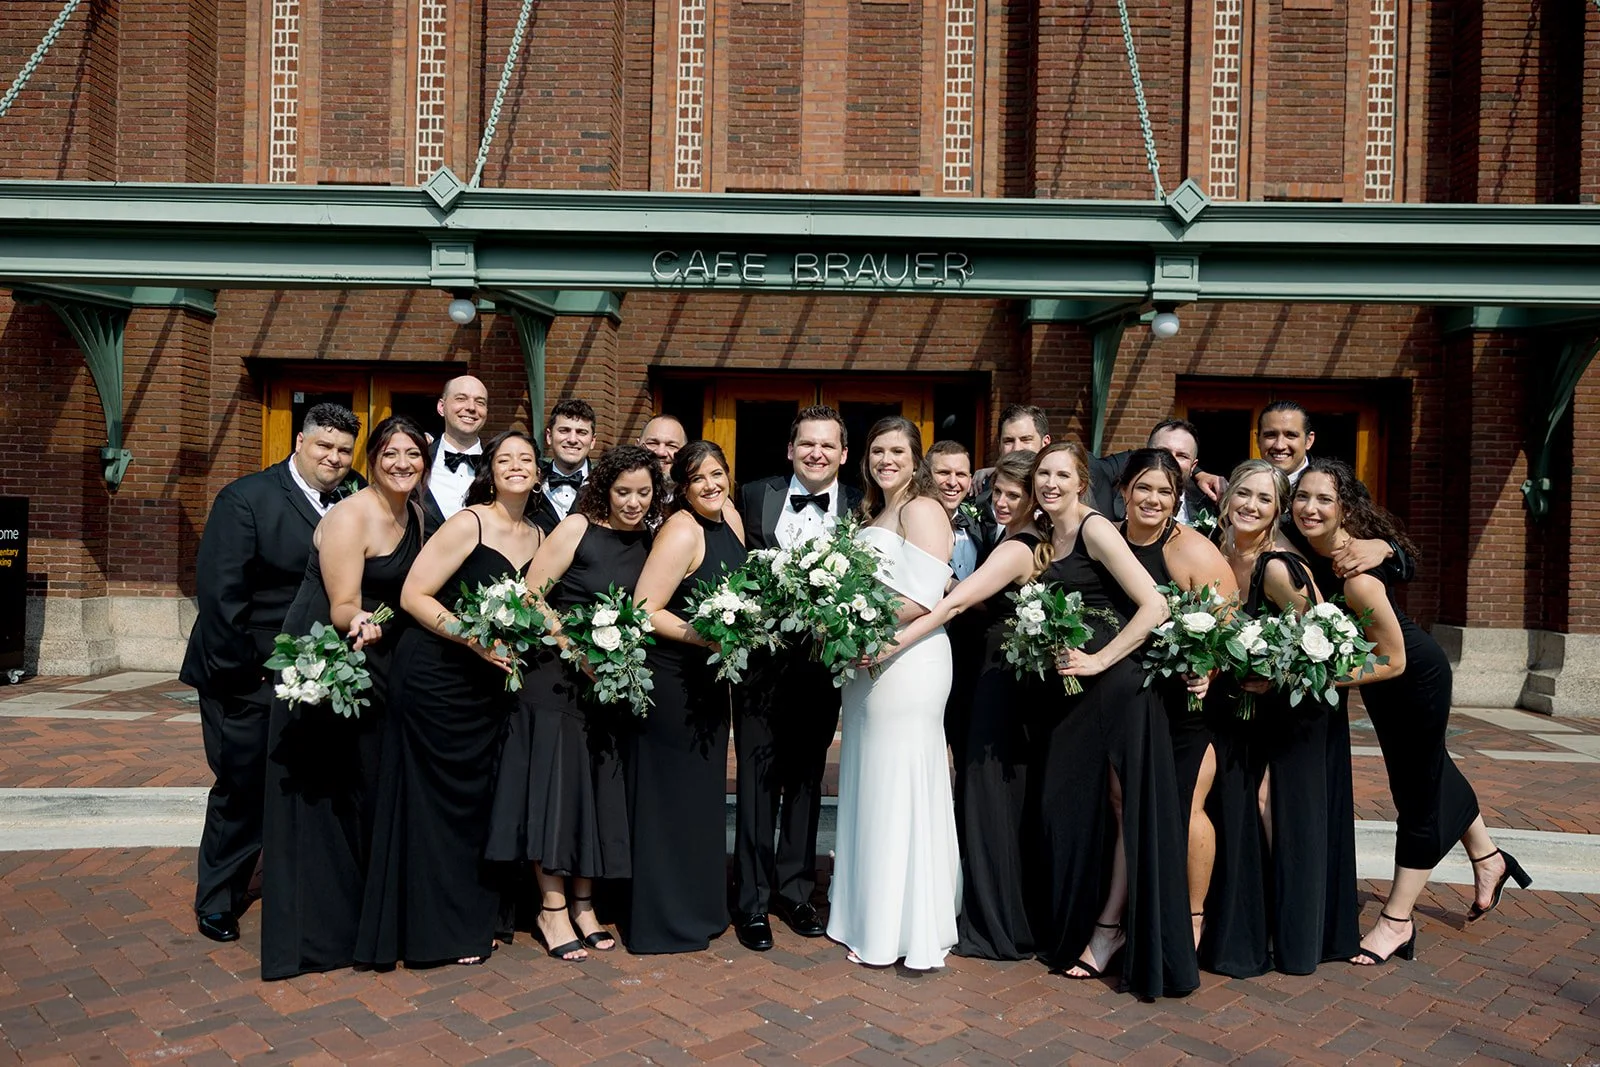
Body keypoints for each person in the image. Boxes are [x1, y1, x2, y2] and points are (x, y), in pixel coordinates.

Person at [1292, 459, 1531, 967]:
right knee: (1429, 768)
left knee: (1415, 792)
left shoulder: (1355, 572)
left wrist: (1311, 677)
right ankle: (1490, 858)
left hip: (1409, 675)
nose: (1310, 508)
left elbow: (1393, 657)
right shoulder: (1300, 543)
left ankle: (1398, 920)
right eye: (1303, 498)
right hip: (1380, 680)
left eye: (1324, 500)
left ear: (1345, 509)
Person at [355, 430, 543, 969]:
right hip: (437, 678)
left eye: (525, 459)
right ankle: (431, 930)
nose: (515, 466)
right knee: (433, 805)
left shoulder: (537, 534)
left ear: (537, 471)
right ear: (491, 469)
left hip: (488, 692)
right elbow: (414, 595)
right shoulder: (469, 522)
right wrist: (475, 638)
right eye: (504, 458)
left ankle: (474, 915)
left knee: (476, 805)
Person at [182, 402, 361, 944]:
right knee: (243, 785)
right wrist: (246, 678)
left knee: (304, 783)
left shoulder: (351, 500)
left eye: (344, 450)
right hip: (248, 675)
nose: (334, 458)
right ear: (300, 443)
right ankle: (218, 898)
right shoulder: (247, 499)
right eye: (324, 446)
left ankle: (299, 884)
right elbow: (220, 598)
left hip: (318, 672)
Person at [260, 415, 428, 980]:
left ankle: (368, 920)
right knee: (327, 796)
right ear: (373, 459)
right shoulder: (349, 515)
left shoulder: (417, 513)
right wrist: (357, 619)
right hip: (329, 662)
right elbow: (340, 604)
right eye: (391, 454)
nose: (402, 463)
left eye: (413, 454)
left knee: (368, 792)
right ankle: (319, 935)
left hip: (379, 663)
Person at [1029, 442, 1196, 999]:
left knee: (1127, 807)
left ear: (1084, 482)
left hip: (1120, 688)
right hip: (1072, 697)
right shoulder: (1046, 536)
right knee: (1073, 806)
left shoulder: (1098, 529)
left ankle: (1109, 930)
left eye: (1061, 474)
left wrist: (1100, 659)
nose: (1050, 483)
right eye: (1042, 474)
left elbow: (1156, 605)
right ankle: (1079, 924)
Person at [486, 445, 661, 961]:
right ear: (605, 487)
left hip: (608, 686)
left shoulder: (653, 540)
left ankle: (586, 904)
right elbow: (530, 594)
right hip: (557, 679)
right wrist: (572, 646)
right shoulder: (576, 528)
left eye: (643, 493)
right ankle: (553, 909)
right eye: (623, 491)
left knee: (596, 792)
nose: (632, 502)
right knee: (557, 793)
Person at [881, 448, 1042, 960]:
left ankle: (995, 920)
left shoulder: (1020, 545)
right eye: (997, 491)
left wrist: (895, 641)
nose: (1001, 501)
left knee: (987, 790)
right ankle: (985, 900)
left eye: (1015, 495)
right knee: (982, 789)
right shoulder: (1002, 538)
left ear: (1034, 499)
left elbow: (954, 601)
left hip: (999, 682)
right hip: (982, 675)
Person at [1206, 458, 1359, 977]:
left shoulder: (1277, 567)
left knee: (1276, 810)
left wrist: (1274, 676)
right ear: (1227, 500)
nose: (1251, 505)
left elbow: (1325, 645)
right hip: (1239, 707)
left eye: (1264, 499)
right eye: (1243, 494)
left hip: (1290, 709)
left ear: (1276, 513)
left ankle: (1287, 933)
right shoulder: (1216, 550)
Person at [826, 416, 958, 969]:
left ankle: (902, 926)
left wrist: (864, 627)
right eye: (878, 450)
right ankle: (866, 910)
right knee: (870, 776)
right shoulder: (873, 511)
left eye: (897, 451)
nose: (886, 460)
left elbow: (927, 591)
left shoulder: (922, 508)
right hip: (867, 659)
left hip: (906, 658)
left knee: (901, 775)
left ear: (916, 457)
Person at [733, 405, 863, 951]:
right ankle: (752, 901)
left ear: (843, 454)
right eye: (806, 444)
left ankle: (795, 889)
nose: (816, 453)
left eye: (827, 446)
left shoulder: (863, 506)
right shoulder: (750, 495)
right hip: (760, 663)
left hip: (820, 665)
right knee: (757, 781)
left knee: (808, 777)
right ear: (790, 450)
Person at [1114, 449, 1237, 951]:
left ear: (1177, 498)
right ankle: (1131, 914)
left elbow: (1229, 623)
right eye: (1144, 487)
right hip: (1124, 699)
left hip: (1184, 700)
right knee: (1123, 803)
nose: (1153, 499)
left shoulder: (1190, 549)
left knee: (1186, 806)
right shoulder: (1109, 538)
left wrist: (1207, 665)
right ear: (1124, 490)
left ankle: (1192, 918)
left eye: (1165, 491)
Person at [627, 441, 744, 952]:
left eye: (717, 474)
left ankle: (701, 906)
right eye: (698, 479)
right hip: (674, 684)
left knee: (700, 799)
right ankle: (665, 919)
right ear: (682, 487)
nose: (710, 485)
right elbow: (644, 608)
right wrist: (707, 636)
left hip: (710, 685)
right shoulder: (680, 530)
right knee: (670, 800)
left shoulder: (731, 521)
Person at [1093, 420, 1219, 529]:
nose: (1171, 460)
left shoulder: (1210, 500)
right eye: (1163, 452)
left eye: (1182, 456)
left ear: (1193, 466)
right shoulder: (1112, 494)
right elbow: (1089, 463)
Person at [420, 375, 489, 536]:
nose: (471, 407)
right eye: (461, 398)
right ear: (441, 407)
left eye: (480, 402)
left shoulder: (497, 466)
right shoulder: (418, 461)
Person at [530, 398, 598, 534]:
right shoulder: (530, 483)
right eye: (564, 430)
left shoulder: (605, 485)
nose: (572, 440)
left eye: (581, 432)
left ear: (592, 441)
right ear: (549, 436)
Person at [971, 404, 1051, 500]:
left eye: (1025, 439)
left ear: (1045, 443)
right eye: (1008, 441)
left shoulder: (1057, 490)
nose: (1016, 448)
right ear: (999, 445)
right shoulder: (980, 491)